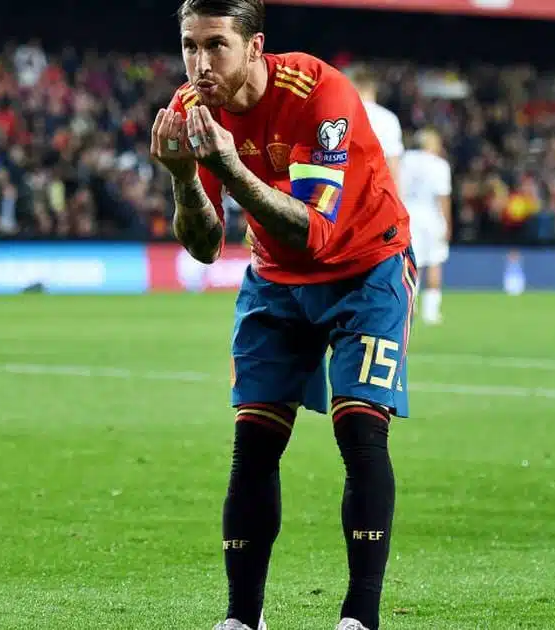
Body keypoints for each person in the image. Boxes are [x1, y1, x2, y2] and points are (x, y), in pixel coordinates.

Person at [150, 1, 416, 629]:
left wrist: (229, 167)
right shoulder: (192, 107)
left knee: (359, 430)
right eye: (189, 45)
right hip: (275, 279)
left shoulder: (320, 93)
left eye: (216, 45)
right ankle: (242, 619)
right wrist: (184, 177)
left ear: (254, 46)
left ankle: (359, 618)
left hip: (365, 268)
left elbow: (314, 234)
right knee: (254, 442)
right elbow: (203, 247)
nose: (199, 63)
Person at [398, 128, 452, 324]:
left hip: (408, 215)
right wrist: (448, 223)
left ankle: (410, 306)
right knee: (434, 262)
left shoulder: (405, 160)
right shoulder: (439, 164)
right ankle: (431, 312)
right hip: (431, 217)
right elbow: (443, 197)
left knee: (413, 264)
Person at [350, 66, 403, 189]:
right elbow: (393, 166)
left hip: (344, 190)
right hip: (374, 190)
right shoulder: (388, 119)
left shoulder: (342, 115)